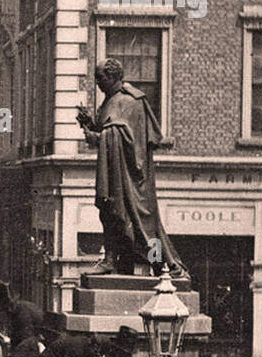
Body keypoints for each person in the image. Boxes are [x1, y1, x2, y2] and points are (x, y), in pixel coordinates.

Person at [77, 57, 184, 276]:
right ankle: (110, 260)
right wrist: (90, 123)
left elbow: (127, 137)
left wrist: (97, 138)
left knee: (139, 221)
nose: (97, 82)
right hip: (114, 171)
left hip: (130, 176)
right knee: (109, 213)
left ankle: (164, 265)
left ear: (114, 76)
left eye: (101, 77)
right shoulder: (110, 100)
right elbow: (109, 128)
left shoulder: (130, 100)